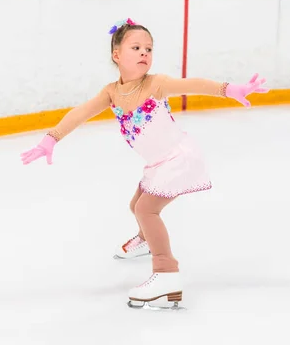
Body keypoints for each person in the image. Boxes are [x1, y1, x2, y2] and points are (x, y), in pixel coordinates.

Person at [20, 18, 269, 308]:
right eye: (136, 47)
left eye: (149, 49)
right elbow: (80, 113)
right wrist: (51, 139)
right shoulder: (112, 92)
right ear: (117, 55)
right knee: (135, 205)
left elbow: (194, 83)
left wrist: (230, 89)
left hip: (178, 158)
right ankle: (148, 240)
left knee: (145, 209)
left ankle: (166, 273)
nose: (144, 53)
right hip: (159, 162)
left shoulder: (155, 84)